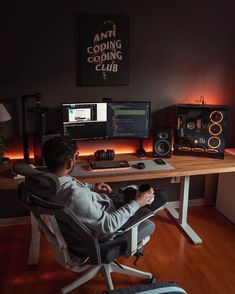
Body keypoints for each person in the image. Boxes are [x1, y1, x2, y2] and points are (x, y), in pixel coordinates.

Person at [42, 135, 167, 242]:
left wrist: (92, 187)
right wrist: (137, 204)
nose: (76, 159)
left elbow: (74, 189)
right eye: (75, 156)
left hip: (102, 206)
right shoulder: (75, 196)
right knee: (160, 196)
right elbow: (109, 225)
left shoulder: (48, 182)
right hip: (110, 226)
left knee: (132, 191)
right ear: (69, 163)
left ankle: (128, 193)